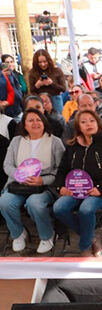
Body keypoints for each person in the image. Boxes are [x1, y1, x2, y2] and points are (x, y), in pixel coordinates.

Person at [52, 109, 102, 256]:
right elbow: (62, 170)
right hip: (76, 191)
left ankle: (84, 248)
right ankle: (91, 237)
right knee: (59, 208)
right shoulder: (72, 147)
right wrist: (61, 187)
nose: (88, 124)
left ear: (98, 123)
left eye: (92, 121)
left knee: (86, 209)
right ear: (78, 127)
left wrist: (100, 188)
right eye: (83, 122)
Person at [0, 108, 64, 253]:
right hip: (19, 184)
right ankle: (18, 234)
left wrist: (43, 180)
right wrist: (19, 176)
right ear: (24, 125)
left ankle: (47, 235)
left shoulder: (55, 142)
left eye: (38, 120)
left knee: (34, 203)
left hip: (44, 186)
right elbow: (7, 165)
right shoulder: (16, 141)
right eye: (30, 120)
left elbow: (60, 170)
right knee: (5, 202)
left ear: (44, 122)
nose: (35, 123)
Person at [28, 49, 67, 115]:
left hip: (55, 99)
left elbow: (63, 89)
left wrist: (52, 83)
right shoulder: (33, 73)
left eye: (45, 61)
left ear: (48, 60)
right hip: (40, 100)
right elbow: (32, 91)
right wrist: (37, 85)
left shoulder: (57, 71)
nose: (43, 64)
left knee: (57, 118)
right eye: (40, 62)